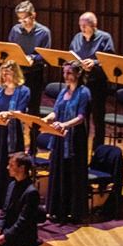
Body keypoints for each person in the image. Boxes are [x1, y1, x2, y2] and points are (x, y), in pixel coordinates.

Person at [44, 64, 91, 224]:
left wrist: (64, 125)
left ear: (78, 74)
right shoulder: (63, 91)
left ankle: (72, 212)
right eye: (64, 72)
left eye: (69, 72)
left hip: (75, 139)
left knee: (72, 173)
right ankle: (58, 210)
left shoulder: (84, 92)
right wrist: (47, 119)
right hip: (60, 137)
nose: (65, 75)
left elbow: (81, 117)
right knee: (59, 171)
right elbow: (56, 111)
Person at [6, 1, 51, 153]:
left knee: (32, 111)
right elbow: (10, 48)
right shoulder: (15, 30)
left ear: (33, 16)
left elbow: (44, 55)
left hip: (34, 75)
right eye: (19, 19)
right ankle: (16, 144)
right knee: (17, 109)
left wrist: (33, 58)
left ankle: (33, 147)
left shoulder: (44, 32)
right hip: (18, 74)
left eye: (25, 18)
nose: (22, 22)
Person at [0, 60, 31, 210]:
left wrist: (9, 114)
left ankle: (9, 200)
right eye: (3, 72)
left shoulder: (24, 90)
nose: (6, 75)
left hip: (13, 133)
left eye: (9, 72)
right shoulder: (0, 89)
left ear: (16, 73)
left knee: (11, 164)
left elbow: (21, 111)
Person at [69, 12, 115, 150]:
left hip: (97, 83)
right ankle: (80, 149)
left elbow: (110, 58)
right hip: (81, 82)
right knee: (81, 116)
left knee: (97, 119)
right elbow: (71, 54)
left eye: (85, 26)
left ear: (94, 26)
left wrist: (94, 62)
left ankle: (97, 151)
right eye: (80, 25)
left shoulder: (105, 38)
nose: (82, 29)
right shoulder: (77, 37)